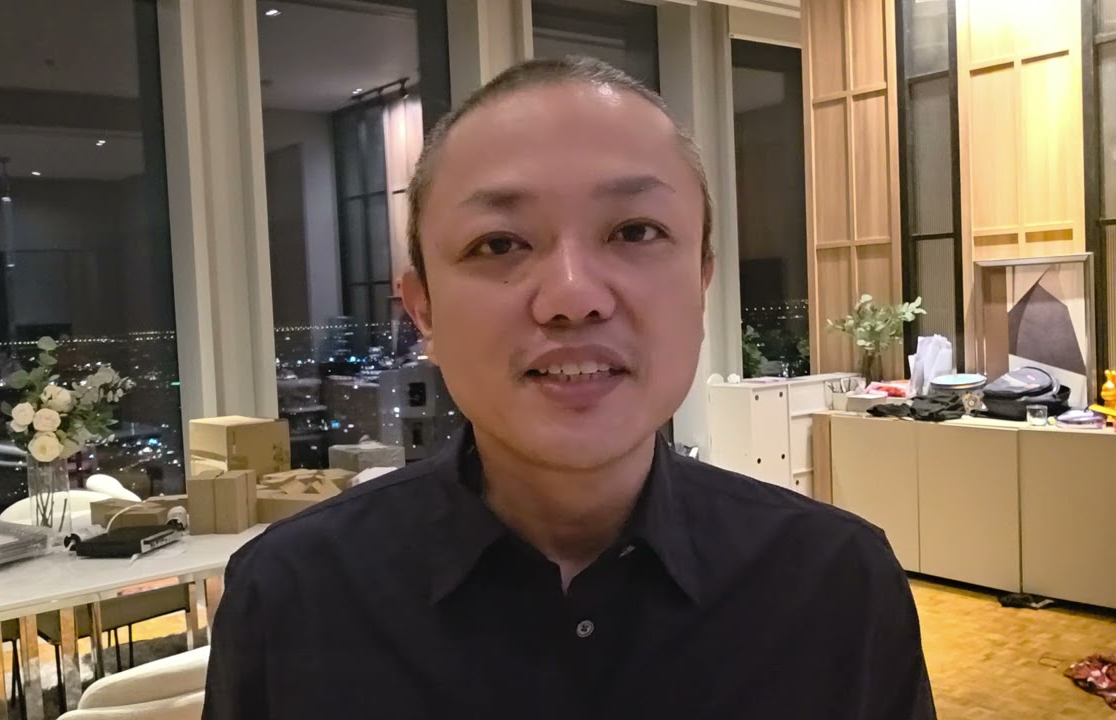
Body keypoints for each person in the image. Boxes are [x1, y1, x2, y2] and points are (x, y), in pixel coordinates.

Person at [203, 56, 935, 719]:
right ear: (423, 309)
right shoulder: (292, 596)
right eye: (499, 243)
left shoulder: (836, 587)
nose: (573, 297)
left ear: (701, 280)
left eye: (635, 232)